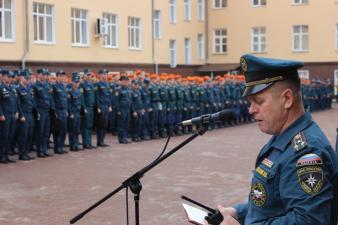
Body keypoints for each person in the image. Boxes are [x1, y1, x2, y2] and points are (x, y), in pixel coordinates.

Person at [206, 54, 338, 225]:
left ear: (287, 99)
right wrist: (238, 212)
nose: (251, 110)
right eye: (250, 102)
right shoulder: (284, 137)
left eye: (258, 102)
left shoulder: (306, 152)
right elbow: (273, 202)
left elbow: (307, 220)